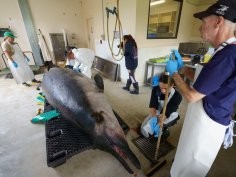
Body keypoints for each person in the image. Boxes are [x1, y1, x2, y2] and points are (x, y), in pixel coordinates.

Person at [165, 0, 236, 176]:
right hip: (209, 116)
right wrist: (182, 68)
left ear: (218, 21)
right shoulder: (223, 51)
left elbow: (191, 95)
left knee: (192, 166)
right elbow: (208, 80)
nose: (200, 29)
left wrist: (174, 74)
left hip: (207, 124)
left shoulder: (228, 56)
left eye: (204, 23)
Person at [140, 73, 182, 138]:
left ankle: (164, 130)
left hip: (169, 113)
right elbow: (153, 105)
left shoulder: (177, 96)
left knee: (157, 128)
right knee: (143, 128)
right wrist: (154, 117)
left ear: (172, 85)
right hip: (158, 111)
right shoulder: (155, 89)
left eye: (165, 88)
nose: (162, 90)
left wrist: (160, 121)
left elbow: (169, 109)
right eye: (161, 87)